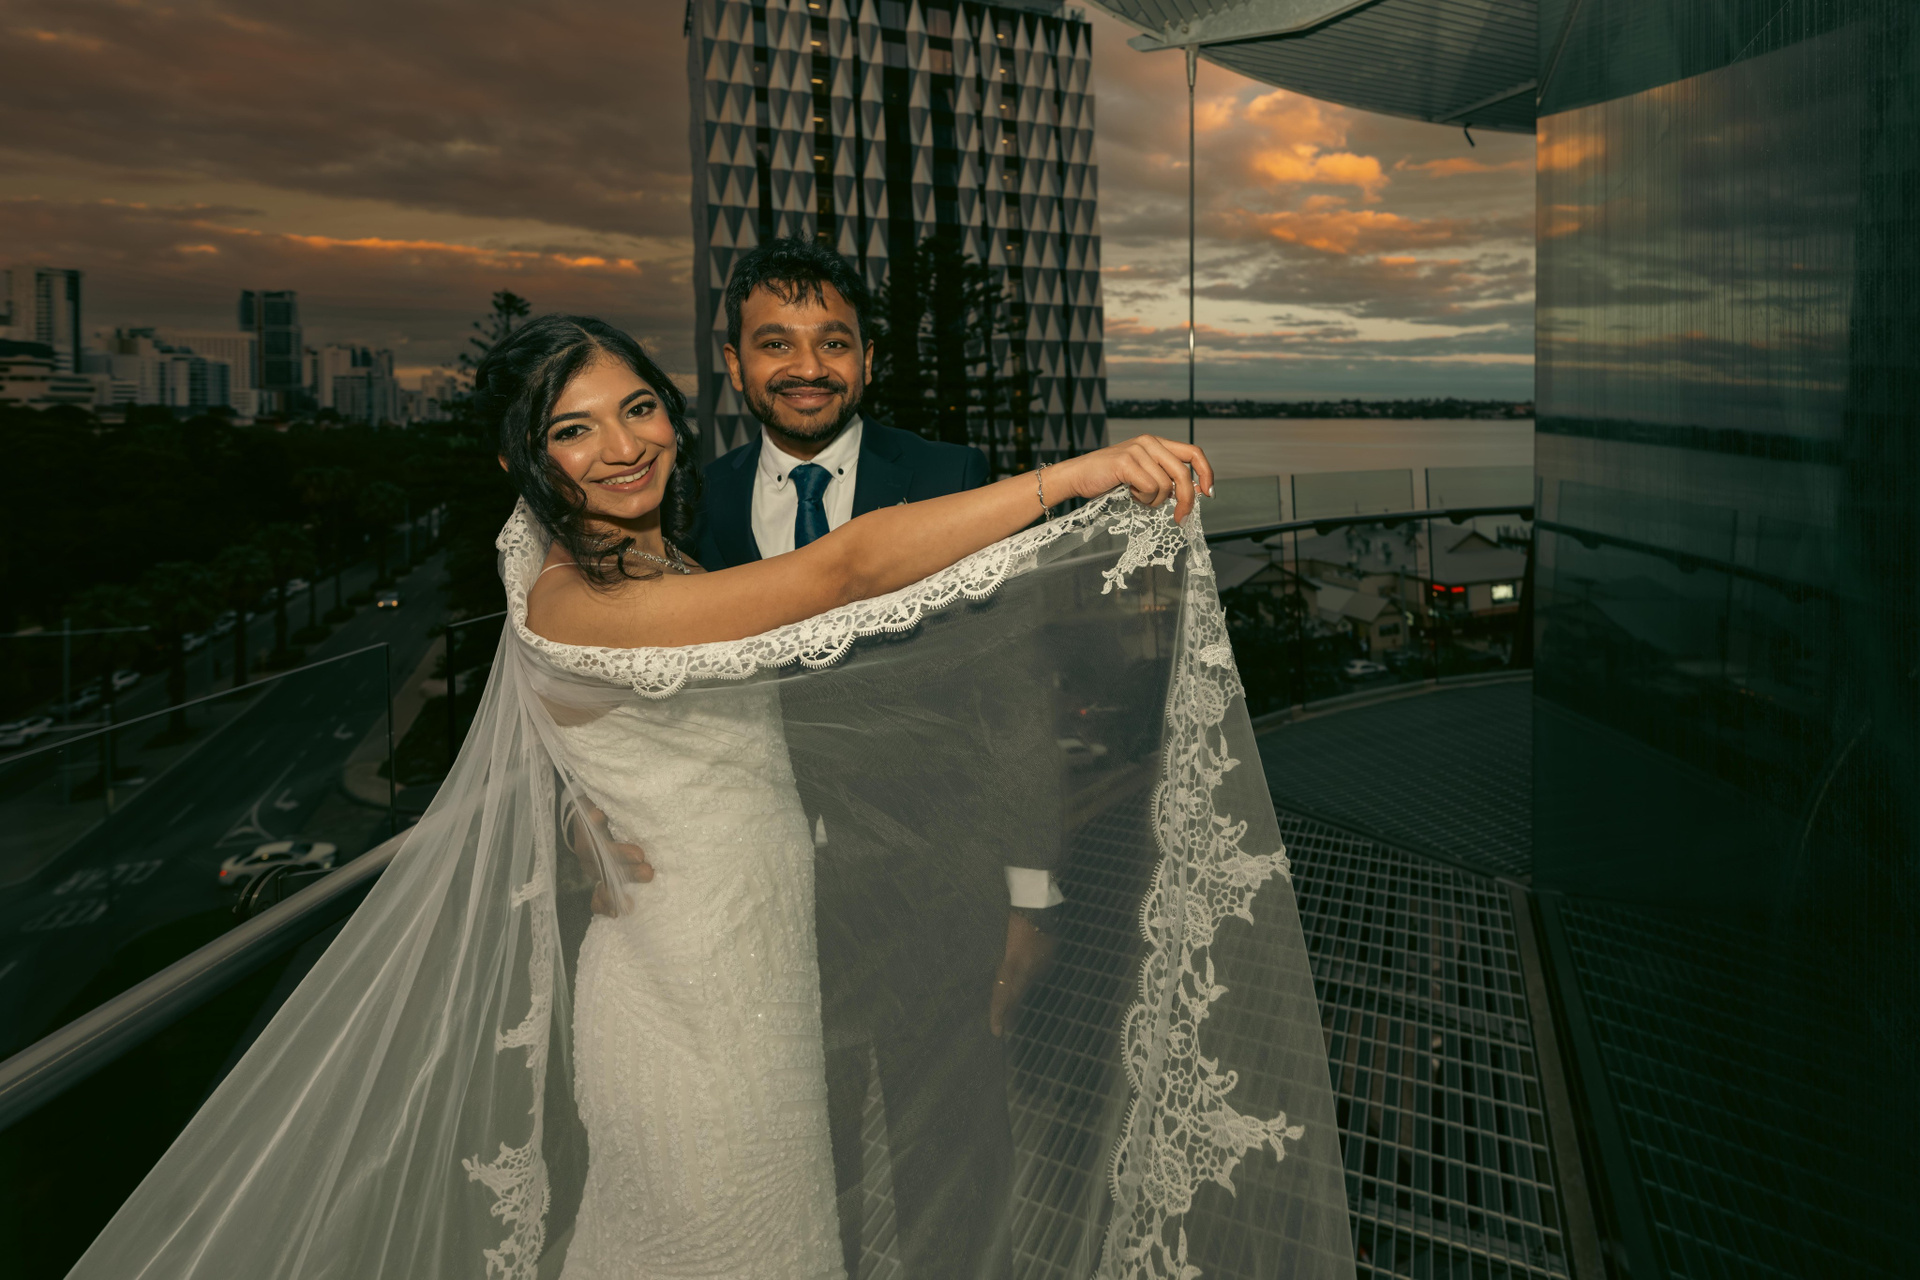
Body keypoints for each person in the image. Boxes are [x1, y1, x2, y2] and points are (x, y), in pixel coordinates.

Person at [66, 311, 1354, 1280]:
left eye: (638, 408)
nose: (624, 444)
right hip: (683, 1003)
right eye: (575, 428)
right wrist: (1071, 477)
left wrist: (577, 792)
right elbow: (841, 572)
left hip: (757, 966)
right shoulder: (577, 594)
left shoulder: (643, 561)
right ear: (525, 457)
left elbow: (615, 720)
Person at [689, 238, 1056, 1279]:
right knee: (806, 1173)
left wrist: (1031, 896)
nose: (807, 367)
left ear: (868, 358)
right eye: (776, 343)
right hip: (763, 905)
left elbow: (1013, 694)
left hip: (939, 893)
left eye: (833, 341)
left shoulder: (947, 479)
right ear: (734, 363)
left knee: (957, 1168)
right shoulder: (692, 502)